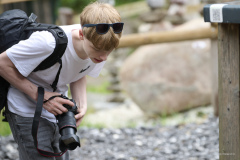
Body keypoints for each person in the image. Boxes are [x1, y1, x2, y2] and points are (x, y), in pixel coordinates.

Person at [0, 2, 123, 160]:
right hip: (26, 108)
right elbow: (2, 64)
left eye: (109, 51)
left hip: (58, 109)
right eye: (98, 50)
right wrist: (41, 97)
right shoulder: (47, 43)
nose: (104, 57)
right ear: (81, 34)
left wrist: (81, 104)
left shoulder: (102, 43)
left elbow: (79, 71)